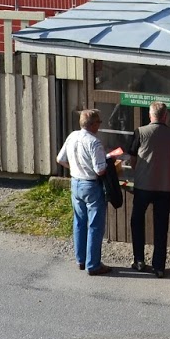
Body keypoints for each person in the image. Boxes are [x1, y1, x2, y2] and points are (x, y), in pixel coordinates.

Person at [125, 101, 170, 278]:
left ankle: (139, 260)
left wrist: (141, 171)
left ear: (150, 115)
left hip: (143, 185)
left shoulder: (140, 132)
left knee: (137, 221)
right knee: (161, 225)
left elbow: (132, 160)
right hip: (166, 187)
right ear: (166, 116)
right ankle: (159, 267)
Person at [57, 108, 112, 275]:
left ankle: (80, 259)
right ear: (93, 124)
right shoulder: (94, 142)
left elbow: (60, 159)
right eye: (99, 122)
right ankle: (93, 264)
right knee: (95, 225)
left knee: (79, 222)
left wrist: (74, 168)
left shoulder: (72, 136)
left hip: (75, 182)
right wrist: (109, 161)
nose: (99, 125)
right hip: (90, 184)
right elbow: (100, 170)